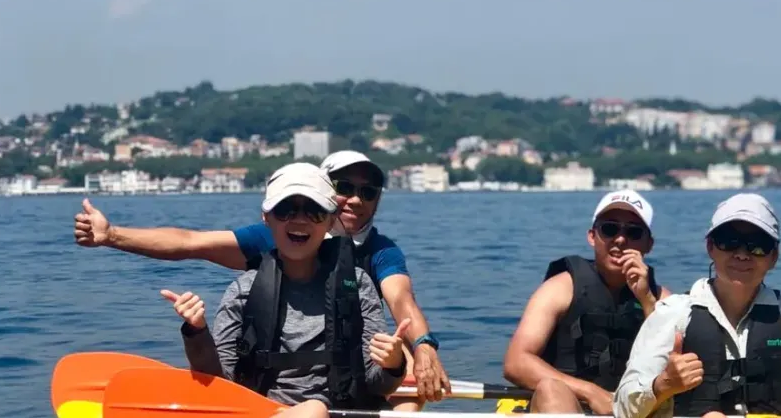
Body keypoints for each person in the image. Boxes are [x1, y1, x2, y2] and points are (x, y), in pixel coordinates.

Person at [72, 150, 450, 408]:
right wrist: (111, 235)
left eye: (367, 192)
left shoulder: (379, 255)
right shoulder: (266, 250)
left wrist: (421, 348)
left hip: (351, 375)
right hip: (277, 396)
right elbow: (190, 242)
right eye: (344, 187)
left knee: (403, 369)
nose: (355, 199)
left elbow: (401, 301)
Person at [159, 162, 407, 418]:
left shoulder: (357, 286)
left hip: (336, 412)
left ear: (331, 221)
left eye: (314, 211)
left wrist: (393, 364)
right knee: (312, 411)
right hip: (262, 412)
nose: (299, 219)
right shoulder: (244, 291)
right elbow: (220, 384)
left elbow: (378, 385)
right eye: (285, 210)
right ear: (266, 218)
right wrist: (197, 333)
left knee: (314, 410)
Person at [612, 192, 781, 418]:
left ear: (773, 257)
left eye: (758, 245)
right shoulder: (672, 314)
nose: (742, 255)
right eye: (728, 241)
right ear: (710, 247)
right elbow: (622, 409)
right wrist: (663, 384)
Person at [502, 189, 672, 415]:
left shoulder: (664, 301)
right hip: (566, 405)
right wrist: (591, 392)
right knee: (551, 390)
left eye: (633, 232)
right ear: (592, 236)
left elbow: (674, 368)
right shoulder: (560, 289)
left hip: (633, 411)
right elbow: (516, 361)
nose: (620, 239)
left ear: (649, 244)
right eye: (609, 229)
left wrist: (647, 300)